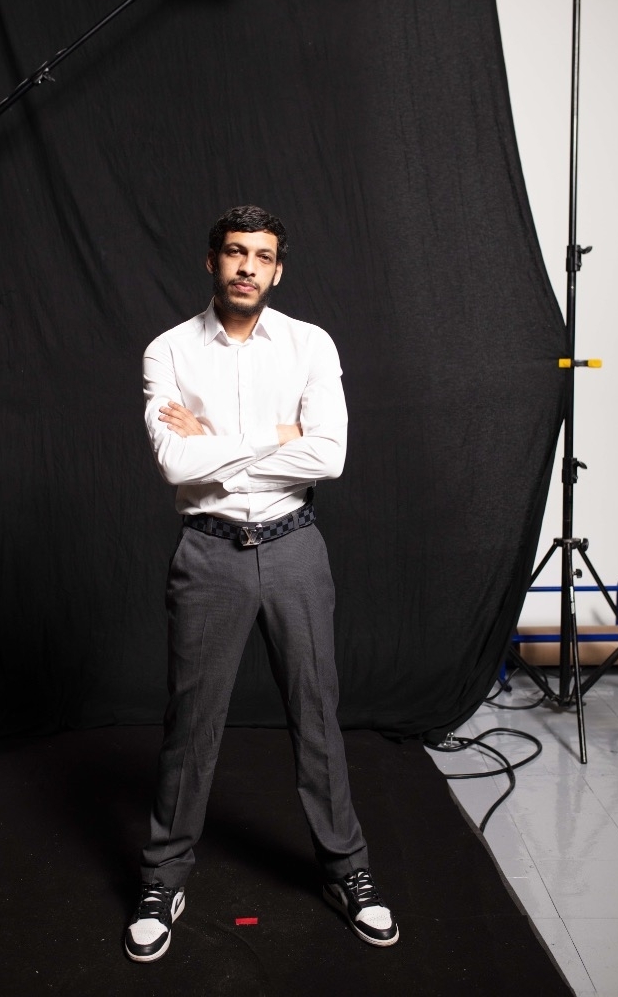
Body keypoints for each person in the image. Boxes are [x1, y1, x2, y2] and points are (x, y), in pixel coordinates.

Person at [125, 204, 398, 963]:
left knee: (316, 716)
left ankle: (347, 871)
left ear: (278, 270)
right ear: (212, 261)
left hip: (293, 548)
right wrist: (280, 438)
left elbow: (329, 456)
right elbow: (176, 464)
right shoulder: (168, 351)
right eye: (235, 252)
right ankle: (163, 877)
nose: (248, 266)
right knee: (192, 724)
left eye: (263, 255)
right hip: (208, 553)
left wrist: (216, 440)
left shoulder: (311, 344)